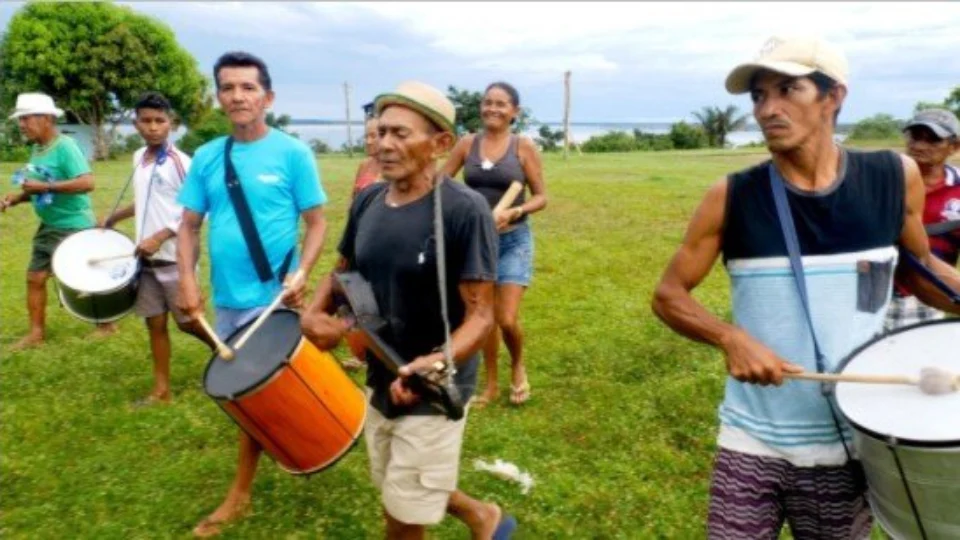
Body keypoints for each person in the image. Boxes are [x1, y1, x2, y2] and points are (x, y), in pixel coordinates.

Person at [651, 36, 960, 539]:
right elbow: (669, 296)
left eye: (787, 89)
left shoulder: (891, 176)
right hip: (751, 440)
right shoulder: (732, 195)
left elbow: (917, 268)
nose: (767, 109)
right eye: (758, 96)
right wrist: (731, 338)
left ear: (833, 96)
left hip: (849, 442)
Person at [300, 81, 517, 540]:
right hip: (381, 370)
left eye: (400, 134)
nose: (384, 144)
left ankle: (475, 516)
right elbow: (342, 273)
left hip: (435, 384)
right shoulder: (368, 201)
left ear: (440, 144)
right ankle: (483, 516)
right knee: (398, 482)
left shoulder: (464, 210)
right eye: (381, 132)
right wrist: (315, 313)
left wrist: (436, 364)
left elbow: (481, 315)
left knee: (402, 515)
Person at [175, 51, 328, 537]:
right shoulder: (205, 157)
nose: (237, 96)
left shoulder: (292, 153)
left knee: (253, 397)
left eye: (247, 87)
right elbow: (188, 226)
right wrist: (187, 280)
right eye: (227, 88)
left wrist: (303, 270)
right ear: (219, 97)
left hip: (276, 302)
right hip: (228, 301)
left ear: (268, 97)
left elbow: (317, 222)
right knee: (255, 395)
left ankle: (240, 494)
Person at [99, 91, 216, 404]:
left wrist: (161, 236)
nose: (152, 127)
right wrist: (114, 217)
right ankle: (161, 390)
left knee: (189, 321)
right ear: (136, 124)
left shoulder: (180, 163)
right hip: (145, 260)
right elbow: (145, 200)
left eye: (159, 121)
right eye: (146, 121)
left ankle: (226, 352)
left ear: (171, 124)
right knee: (155, 323)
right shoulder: (139, 158)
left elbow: (196, 209)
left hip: (174, 256)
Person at [441, 81, 547, 406]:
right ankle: (489, 386)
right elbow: (440, 183)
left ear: (515, 112)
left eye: (501, 104)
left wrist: (515, 209)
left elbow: (541, 197)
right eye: (488, 102)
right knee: (482, 317)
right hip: (476, 243)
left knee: (506, 319)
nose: (492, 109)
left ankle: (517, 365)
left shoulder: (523, 147)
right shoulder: (467, 144)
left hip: (513, 240)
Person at [2, 92, 115, 351]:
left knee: (83, 277)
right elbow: (41, 188)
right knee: (35, 277)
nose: (21, 124)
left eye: (26, 118)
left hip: (72, 225)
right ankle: (36, 334)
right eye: (20, 119)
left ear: (46, 119)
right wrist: (18, 198)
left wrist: (45, 185)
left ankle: (106, 325)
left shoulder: (65, 146)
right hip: (49, 224)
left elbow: (88, 182)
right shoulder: (37, 149)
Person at [884, 108, 960, 331]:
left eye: (933, 140)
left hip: (929, 291)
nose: (919, 146)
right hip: (876, 291)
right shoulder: (884, 180)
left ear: (954, 147)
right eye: (915, 137)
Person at [352, 115, 382, 198]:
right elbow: (353, 198)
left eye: (373, 136)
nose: (368, 142)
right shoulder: (364, 165)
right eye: (366, 137)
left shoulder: (394, 168)